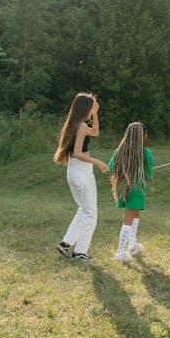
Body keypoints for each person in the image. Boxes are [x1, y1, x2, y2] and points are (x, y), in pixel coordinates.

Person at [53, 92, 109, 261]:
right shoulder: (81, 126)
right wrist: (98, 163)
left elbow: (96, 132)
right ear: (85, 107)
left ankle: (66, 244)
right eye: (92, 106)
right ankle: (80, 252)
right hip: (82, 172)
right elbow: (78, 153)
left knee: (83, 209)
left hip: (73, 171)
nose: (93, 109)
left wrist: (96, 114)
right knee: (91, 213)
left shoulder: (74, 124)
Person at [108, 122, 154, 263]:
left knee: (135, 214)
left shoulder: (119, 151)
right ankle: (120, 252)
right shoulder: (146, 153)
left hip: (125, 188)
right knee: (128, 218)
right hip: (136, 189)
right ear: (142, 136)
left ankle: (132, 245)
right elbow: (147, 174)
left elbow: (111, 168)